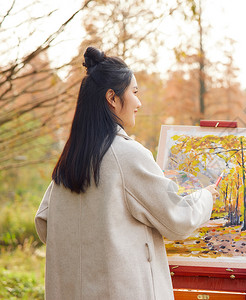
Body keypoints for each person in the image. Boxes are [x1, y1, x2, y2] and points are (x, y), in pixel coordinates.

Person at [35, 46, 219, 300]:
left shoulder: (70, 159)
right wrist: (206, 197)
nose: (139, 103)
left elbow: (44, 225)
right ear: (112, 97)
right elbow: (177, 219)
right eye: (134, 92)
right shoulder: (127, 155)